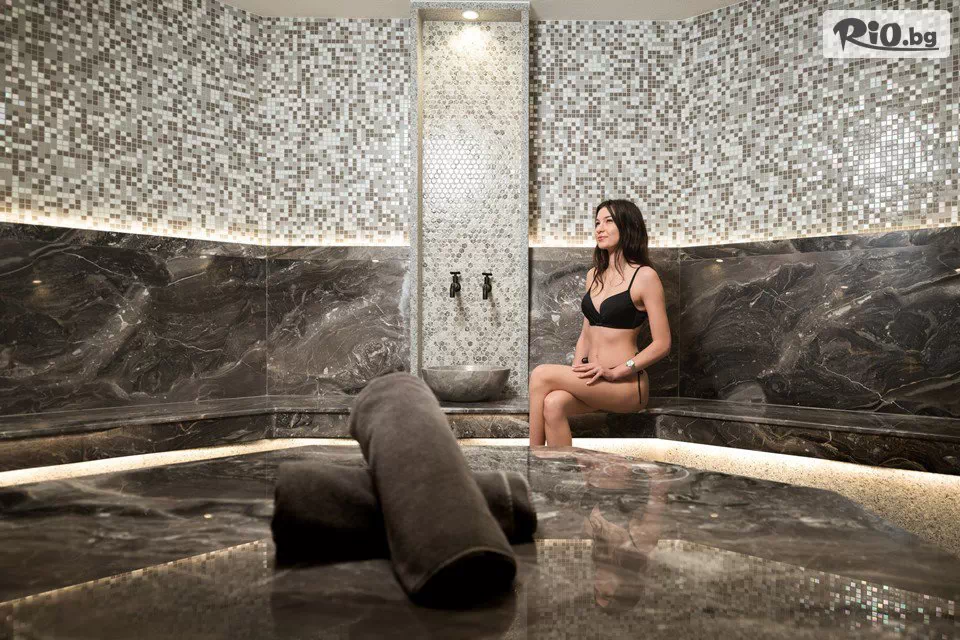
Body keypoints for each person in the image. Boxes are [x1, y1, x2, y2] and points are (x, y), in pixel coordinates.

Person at [529, 199, 671, 447]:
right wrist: (576, 372)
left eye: (608, 221)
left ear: (628, 226)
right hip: (595, 380)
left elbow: (662, 344)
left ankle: (530, 458)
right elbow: (586, 333)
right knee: (553, 403)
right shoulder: (593, 275)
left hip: (626, 385)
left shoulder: (645, 277)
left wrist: (617, 371)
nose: (599, 229)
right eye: (597, 223)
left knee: (540, 374)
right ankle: (557, 468)